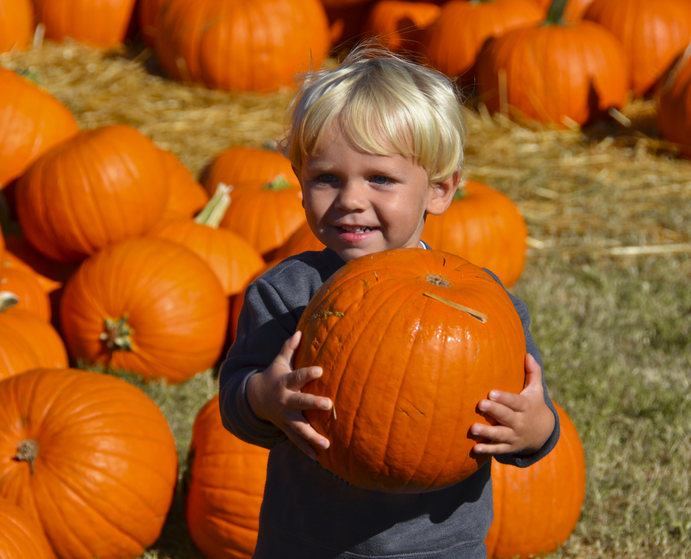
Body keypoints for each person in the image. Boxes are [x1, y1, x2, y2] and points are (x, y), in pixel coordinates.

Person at [218, 44, 559, 559]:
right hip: (306, 543)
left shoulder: (484, 305)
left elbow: (528, 412)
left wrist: (537, 430)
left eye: (380, 178)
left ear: (440, 190)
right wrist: (263, 398)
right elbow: (235, 398)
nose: (351, 199)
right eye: (326, 178)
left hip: (440, 547)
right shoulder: (287, 293)